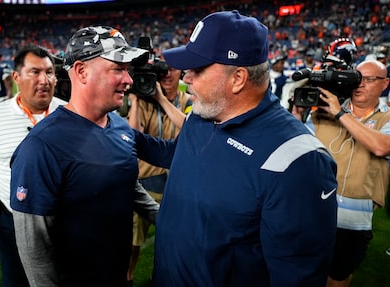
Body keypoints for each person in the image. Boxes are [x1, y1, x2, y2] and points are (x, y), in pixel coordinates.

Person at [133, 10, 339, 286]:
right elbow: (179, 154)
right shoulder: (204, 114)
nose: (187, 77)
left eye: (198, 68)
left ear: (238, 78)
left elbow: (297, 276)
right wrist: (120, 135)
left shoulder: (298, 160)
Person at [9, 26, 158, 287]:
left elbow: (126, 183)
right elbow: (35, 249)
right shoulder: (41, 147)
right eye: (118, 69)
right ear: (81, 71)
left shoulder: (120, 125)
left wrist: (166, 218)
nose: (129, 80)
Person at [0, 45, 67, 287]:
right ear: (16, 77)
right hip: (12, 221)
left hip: (65, 220)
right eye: (35, 72)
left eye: (50, 72)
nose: (44, 80)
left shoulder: (71, 113)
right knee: (14, 281)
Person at [292, 59, 390, 287]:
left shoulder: (387, 117)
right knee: (303, 274)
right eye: (356, 77)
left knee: (337, 278)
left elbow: (382, 146)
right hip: (313, 213)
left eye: (369, 79)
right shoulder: (322, 114)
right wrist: (297, 117)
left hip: (353, 223)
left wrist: (340, 113)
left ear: (385, 84)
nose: (360, 84)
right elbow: (298, 151)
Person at [126, 61, 192, 286]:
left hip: (174, 184)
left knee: (177, 241)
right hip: (143, 181)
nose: (166, 74)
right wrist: (135, 100)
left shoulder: (187, 101)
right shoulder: (142, 102)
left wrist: (161, 99)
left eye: (172, 69)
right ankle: (129, 279)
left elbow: (190, 129)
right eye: (161, 70)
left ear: (180, 72)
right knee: (133, 245)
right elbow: (133, 137)